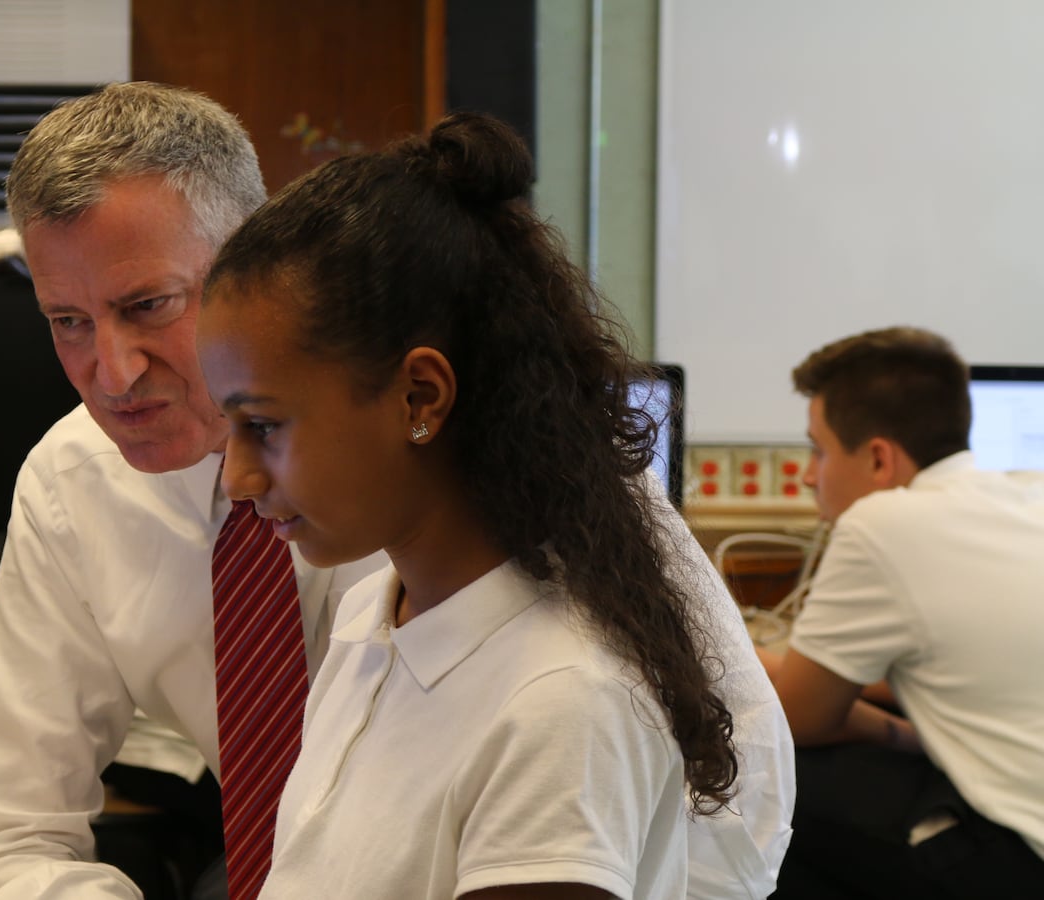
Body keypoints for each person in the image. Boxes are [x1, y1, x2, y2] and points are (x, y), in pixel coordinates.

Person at [195, 112, 794, 900]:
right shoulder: (376, 617)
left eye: (263, 426)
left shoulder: (559, 702)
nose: (236, 477)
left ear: (420, 395)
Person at [0, 82, 389, 900]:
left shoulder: (410, 438)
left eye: (148, 305)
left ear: (257, 261)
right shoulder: (74, 482)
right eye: (67, 321)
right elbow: (4, 841)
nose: (110, 374)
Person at [764, 327, 1044, 898]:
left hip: (1023, 858)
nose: (808, 475)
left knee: (770, 780)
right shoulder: (1028, 492)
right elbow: (965, 666)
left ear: (877, 459)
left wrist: (896, 734)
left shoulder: (883, 524)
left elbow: (799, 719)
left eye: (818, 450)